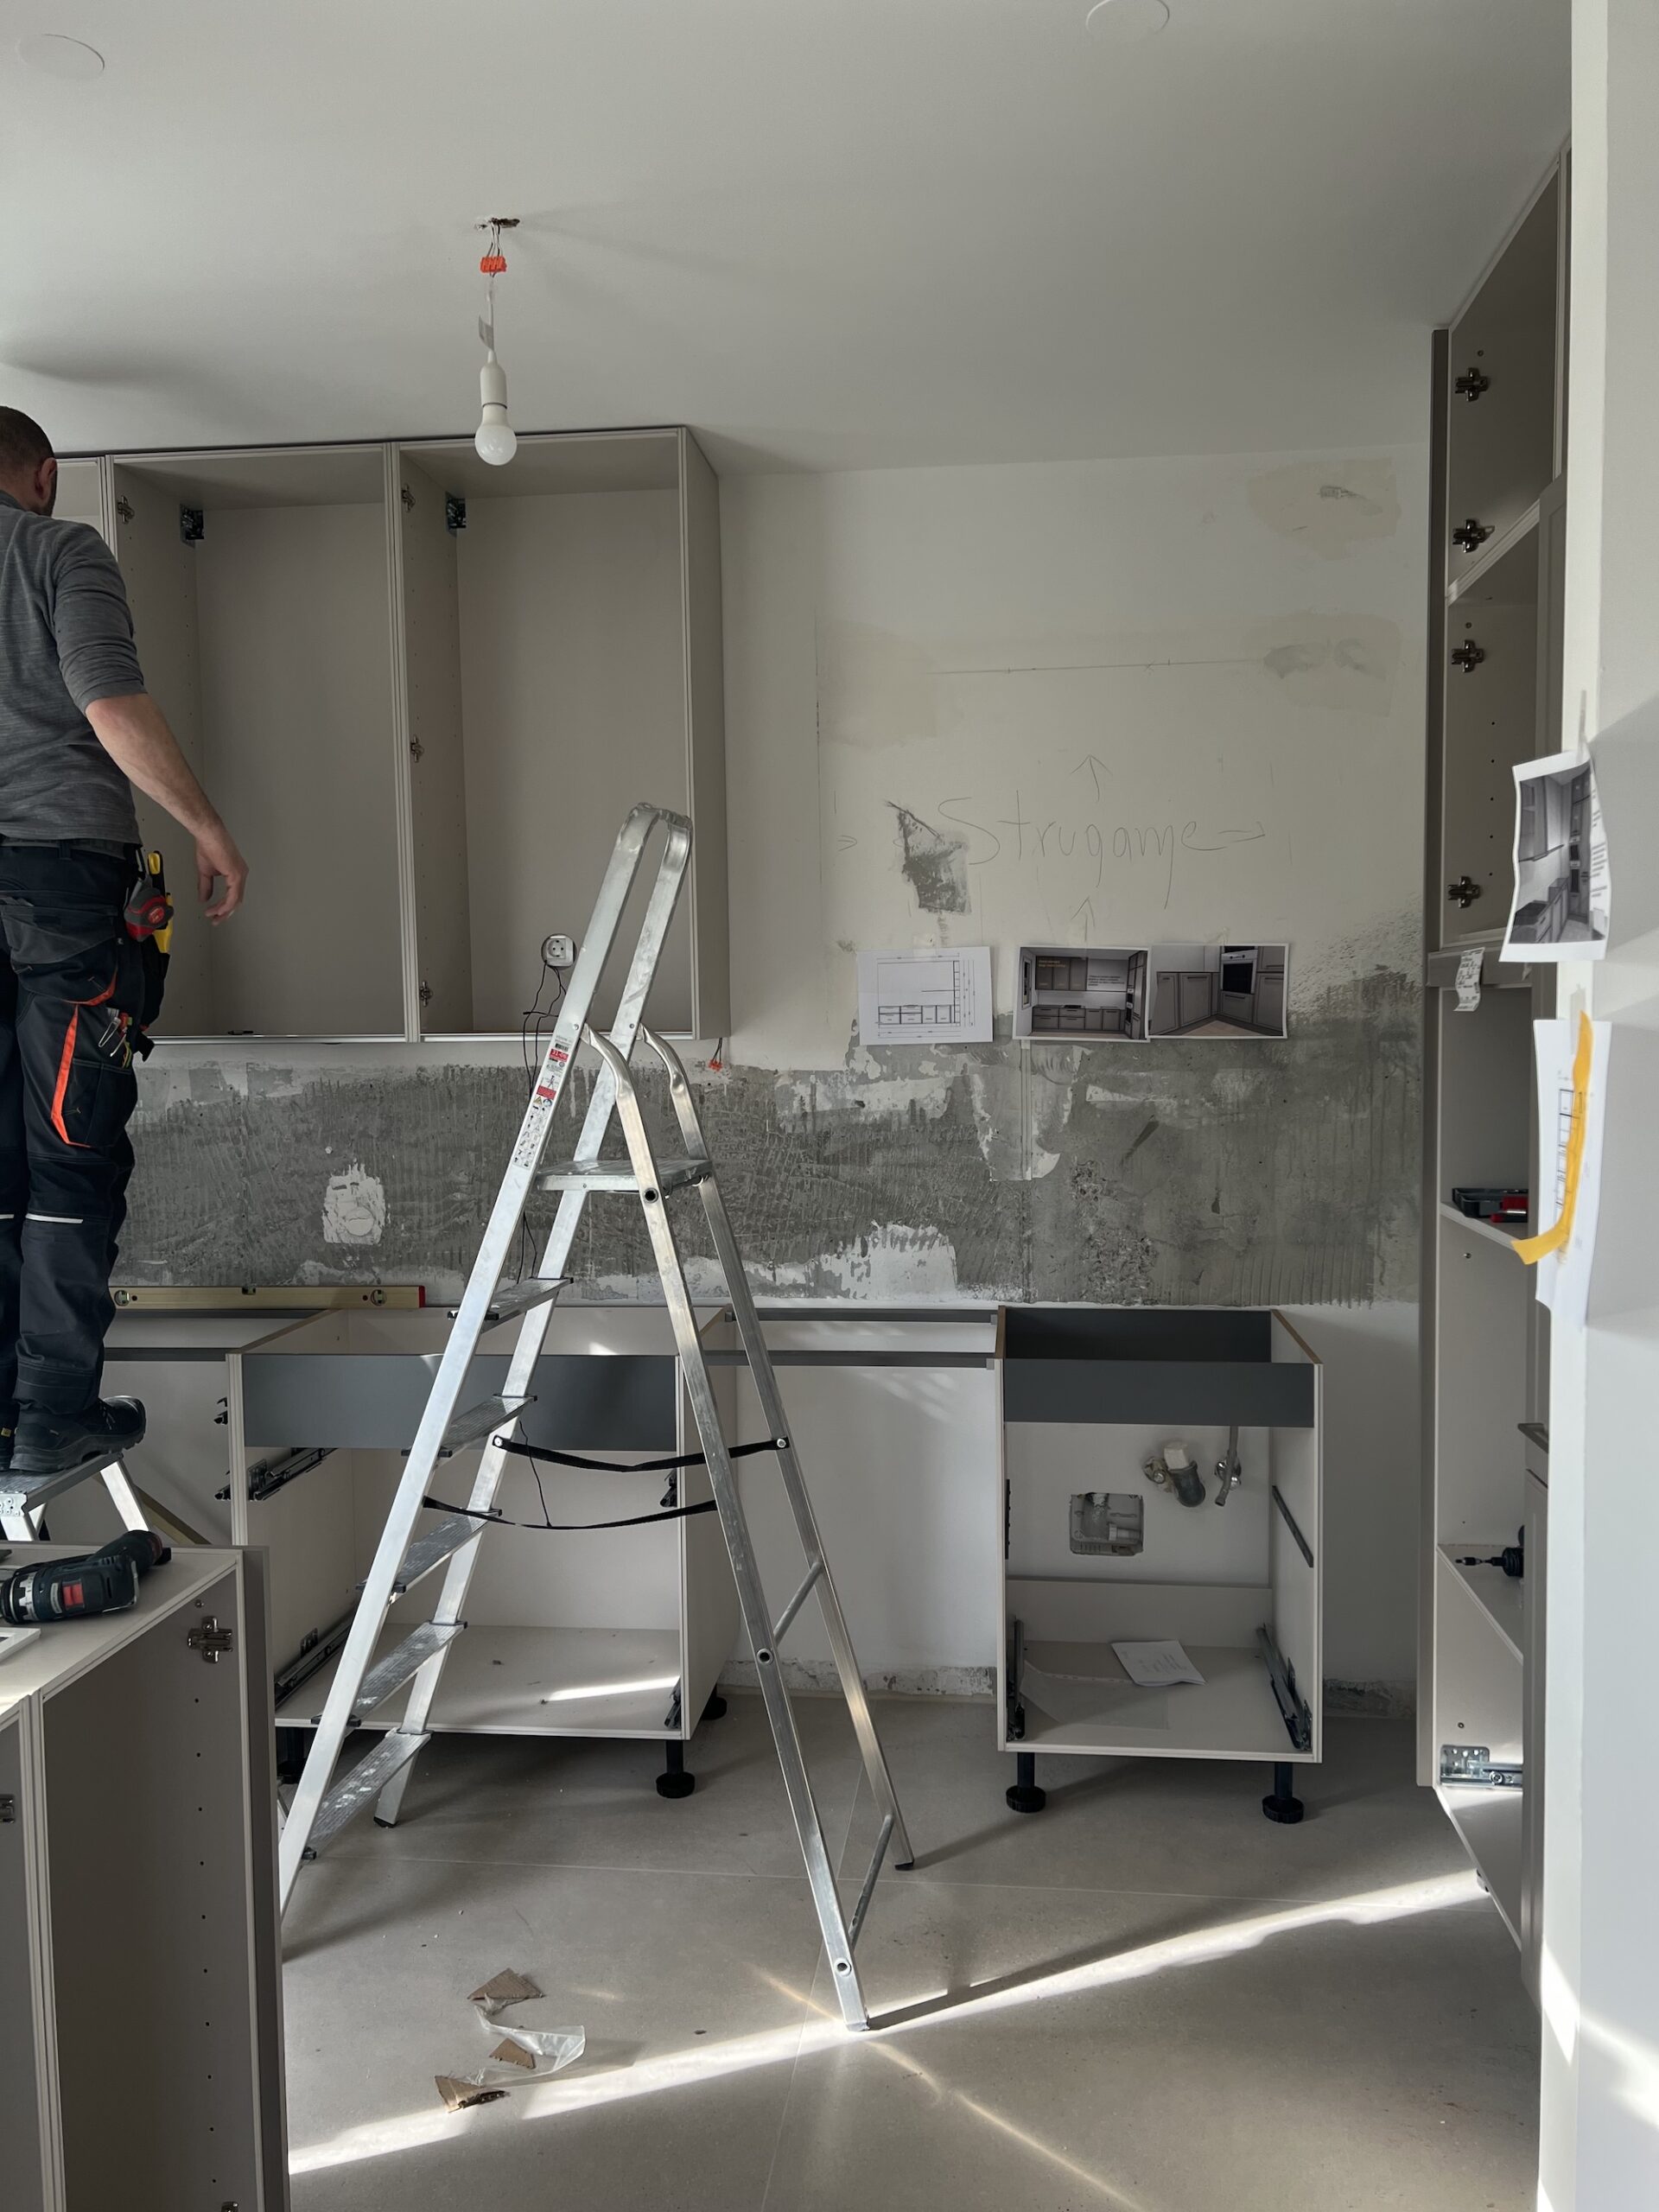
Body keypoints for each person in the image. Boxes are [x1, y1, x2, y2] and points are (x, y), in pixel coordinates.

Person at [0, 407, 246, 1477]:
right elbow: (108, 699)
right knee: (70, 1150)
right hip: (60, 881)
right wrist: (207, 826)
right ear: (44, 475)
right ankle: (51, 1411)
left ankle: (7, 1422)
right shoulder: (59, 550)